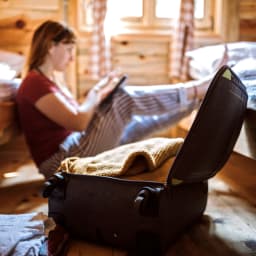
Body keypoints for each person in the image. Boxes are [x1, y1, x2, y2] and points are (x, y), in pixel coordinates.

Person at [16, 20, 220, 179]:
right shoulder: (34, 83)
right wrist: (95, 94)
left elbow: (77, 117)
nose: (71, 58)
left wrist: (100, 94)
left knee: (134, 125)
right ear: (52, 46)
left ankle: (197, 101)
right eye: (69, 49)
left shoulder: (49, 81)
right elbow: (78, 122)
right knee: (122, 99)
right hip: (59, 162)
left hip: (70, 148)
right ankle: (195, 90)